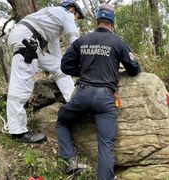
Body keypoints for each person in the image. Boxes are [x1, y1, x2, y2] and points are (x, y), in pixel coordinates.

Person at [56, 3, 141, 178]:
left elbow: (65, 66)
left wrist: (84, 71)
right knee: (105, 145)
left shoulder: (82, 40)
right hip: (105, 99)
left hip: (83, 94)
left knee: (62, 122)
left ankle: (71, 159)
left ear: (97, 20)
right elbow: (133, 69)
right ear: (113, 22)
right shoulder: (118, 42)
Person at [6, 0, 84, 143]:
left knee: (59, 67)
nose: (76, 21)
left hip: (29, 38)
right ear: (72, 9)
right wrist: (85, 64)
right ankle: (18, 132)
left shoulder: (53, 19)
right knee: (21, 85)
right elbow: (75, 42)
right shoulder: (66, 14)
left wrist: (65, 66)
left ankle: (72, 100)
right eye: (77, 18)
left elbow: (57, 55)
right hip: (27, 40)